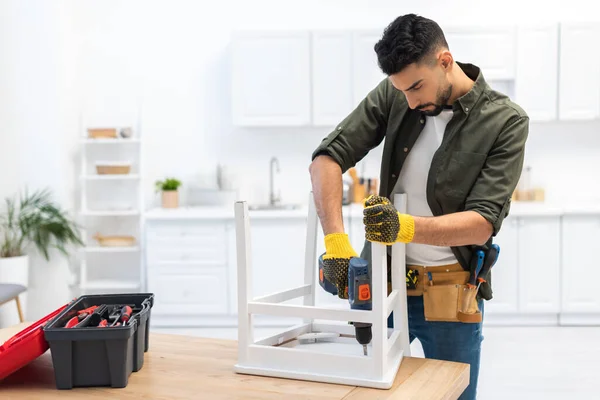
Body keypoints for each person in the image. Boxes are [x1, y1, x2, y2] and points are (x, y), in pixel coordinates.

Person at [309, 13, 529, 400]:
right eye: (401, 90)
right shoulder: (396, 93)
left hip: (451, 291)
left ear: (445, 61)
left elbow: (481, 223)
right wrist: (337, 244)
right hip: (383, 284)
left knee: (454, 395)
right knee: (368, 393)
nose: (408, 101)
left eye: (415, 87)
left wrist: (405, 227)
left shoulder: (505, 121)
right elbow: (326, 160)